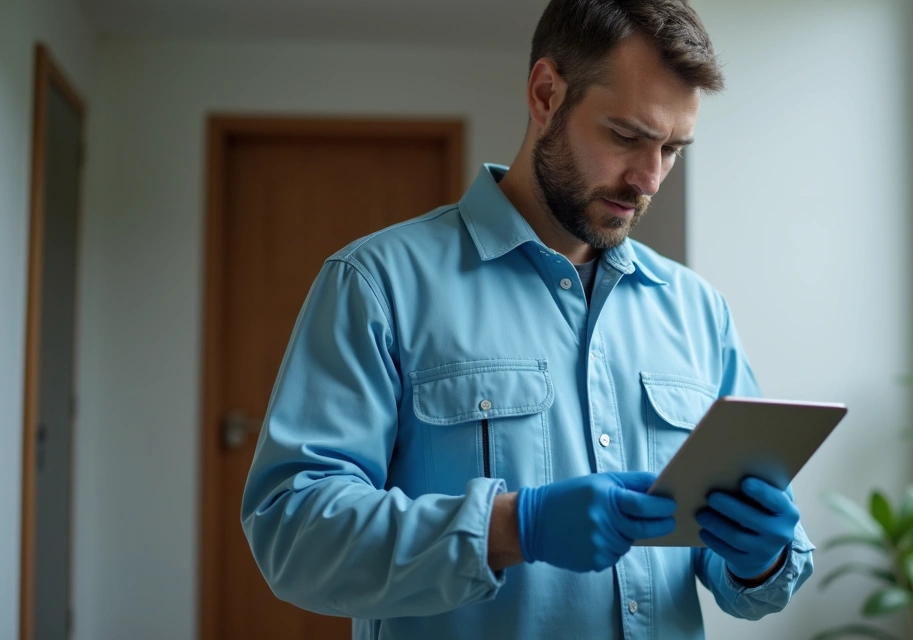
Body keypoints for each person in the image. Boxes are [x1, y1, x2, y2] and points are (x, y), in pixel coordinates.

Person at [240, 0, 814, 638]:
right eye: (626, 136)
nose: (649, 179)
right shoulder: (378, 284)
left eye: (672, 149)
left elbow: (737, 574)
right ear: (546, 94)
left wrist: (763, 562)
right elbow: (292, 536)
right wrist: (513, 528)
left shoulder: (698, 311)